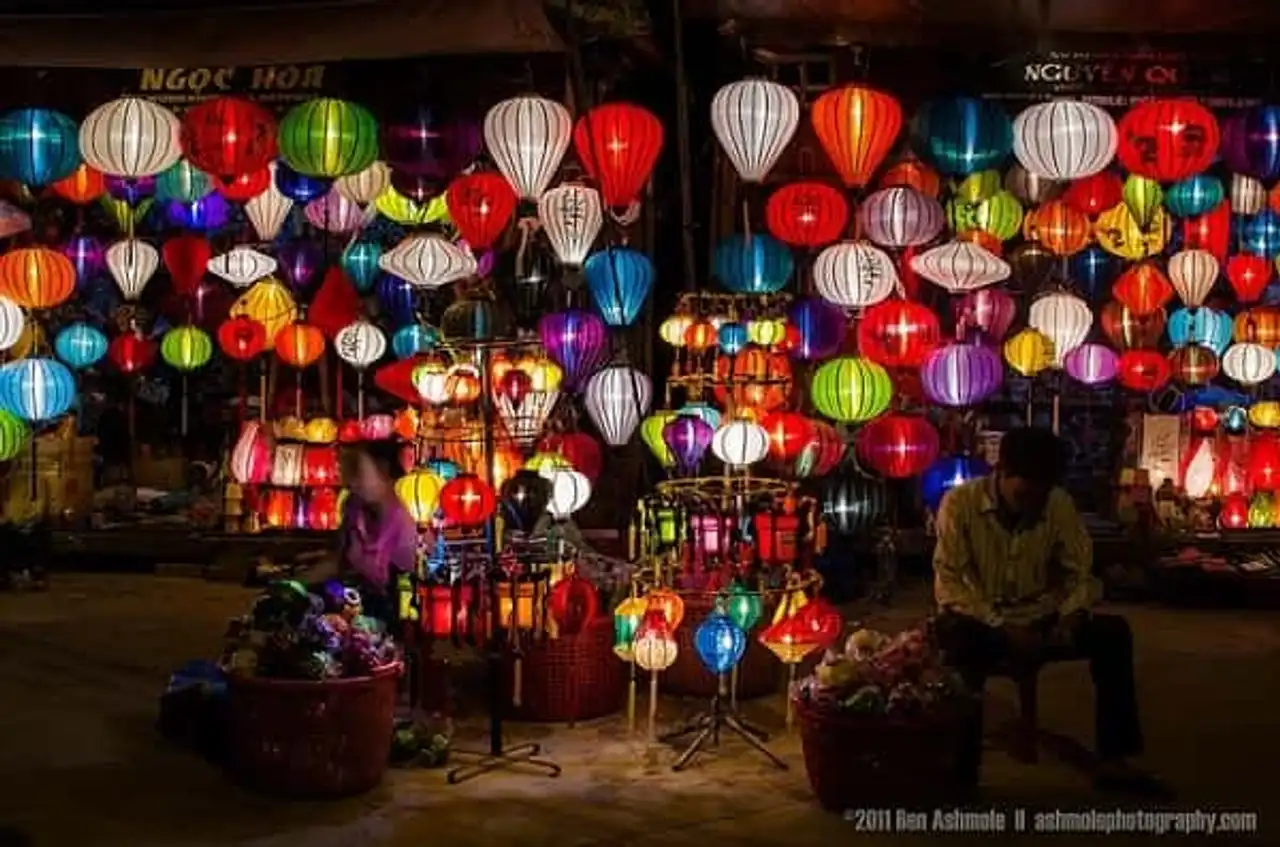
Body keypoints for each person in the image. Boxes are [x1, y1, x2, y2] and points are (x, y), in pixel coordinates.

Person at [931, 427, 1150, 793]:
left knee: (1114, 635)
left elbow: (1079, 571)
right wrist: (1001, 626)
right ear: (1000, 473)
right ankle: (961, 769)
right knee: (955, 642)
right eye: (1024, 494)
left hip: (1042, 618)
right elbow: (949, 584)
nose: (1032, 504)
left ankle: (1115, 758)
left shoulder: (1057, 504)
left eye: (1041, 495)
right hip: (984, 621)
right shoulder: (959, 505)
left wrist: (1071, 613)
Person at [315, 441, 421, 629]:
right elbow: (337, 559)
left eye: (358, 470)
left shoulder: (401, 521)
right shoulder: (353, 507)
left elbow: (406, 582)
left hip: (385, 613)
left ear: (383, 471)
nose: (350, 481)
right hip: (348, 607)